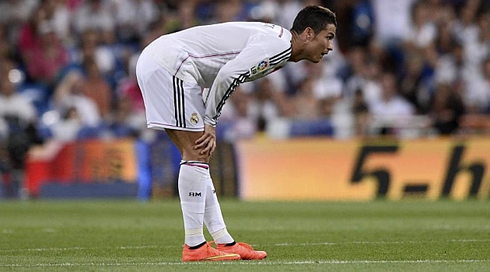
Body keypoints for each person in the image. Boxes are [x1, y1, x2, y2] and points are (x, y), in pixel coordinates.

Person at [136, 5, 337, 262]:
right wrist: (210, 122)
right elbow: (228, 74)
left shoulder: (278, 42)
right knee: (197, 153)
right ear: (308, 33)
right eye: (328, 37)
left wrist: (208, 117)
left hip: (169, 62)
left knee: (198, 155)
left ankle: (224, 241)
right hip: (171, 64)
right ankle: (195, 246)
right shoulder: (278, 48)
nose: (330, 46)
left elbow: (221, 72)